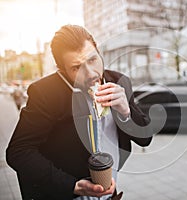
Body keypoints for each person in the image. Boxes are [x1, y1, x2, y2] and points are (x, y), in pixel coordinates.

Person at [6, 24, 153, 200]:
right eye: (76, 68)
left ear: (98, 50)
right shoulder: (45, 93)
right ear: (62, 70)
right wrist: (72, 186)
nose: (90, 74)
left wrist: (126, 112)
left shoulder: (120, 81)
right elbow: (18, 151)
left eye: (92, 60)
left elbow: (145, 138)